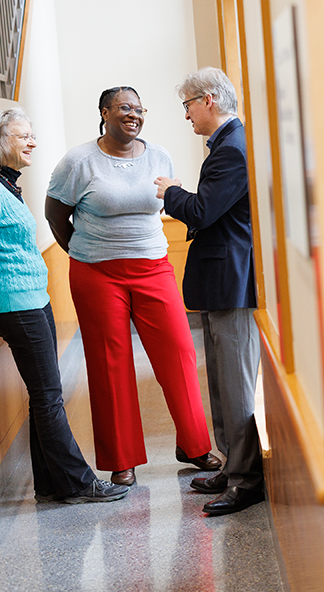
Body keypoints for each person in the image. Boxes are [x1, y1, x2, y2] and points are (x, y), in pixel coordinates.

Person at [45, 86, 221, 487]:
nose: (134, 114)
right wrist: (82, 252)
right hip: (96, 273)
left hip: (153, 268)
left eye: (139, 108)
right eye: (125, 108)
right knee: (110, 363)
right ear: (104, 112)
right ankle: (121, 459)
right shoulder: (79, 161)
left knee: (177, 352)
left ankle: (194, 445)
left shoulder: (158, 155)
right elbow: (55, 214)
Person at [0, 108, 128, 504]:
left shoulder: (5, 187)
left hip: (35, 302)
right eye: (24, 136)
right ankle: (79, 483)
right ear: (0, 142)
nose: (32, 142)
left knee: (44, 396)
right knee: (49, 396)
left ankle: (50, 484)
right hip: (16, 307)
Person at [155, 67, 264, 515]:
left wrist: (172, 191)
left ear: (210, 100)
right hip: (221, 281)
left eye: (188, 105)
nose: (186, 116)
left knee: (235, 386)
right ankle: (230, 465)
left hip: (232, 284)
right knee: (220, 382)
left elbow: (202, 211)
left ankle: (246, 481)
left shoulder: (232, 149)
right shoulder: (225, 145)